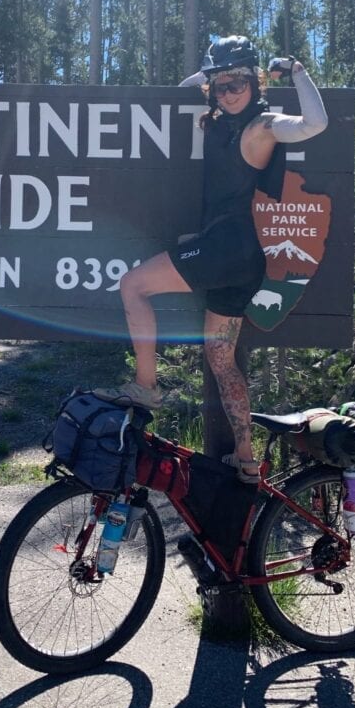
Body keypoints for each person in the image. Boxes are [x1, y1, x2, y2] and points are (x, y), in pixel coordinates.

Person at [95, 36, 328, 482]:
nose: (227, 92)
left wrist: (297, 71)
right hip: (241, 260)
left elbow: (314, 124)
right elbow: (189, 87)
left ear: (255, 81)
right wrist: (212, 73)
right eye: (220, 86)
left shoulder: (262, 125)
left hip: (226, 247)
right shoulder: (221, 118)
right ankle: (246, 460)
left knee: (133, 285)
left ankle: (146, 388)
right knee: (221, 361)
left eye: (237, 82)